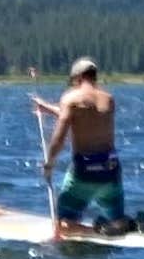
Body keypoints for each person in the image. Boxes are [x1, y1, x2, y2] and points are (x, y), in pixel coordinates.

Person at [34, 59, 134, 234]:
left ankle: (97, 230)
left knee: (63, 225)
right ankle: (129, 224)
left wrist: (49, 164)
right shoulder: (108, 100)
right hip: (110, 170)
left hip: (85, 172)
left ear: (78, 78)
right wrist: (48, 108)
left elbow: (60, 136)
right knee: (118, 218)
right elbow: (86, 115)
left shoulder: (70, 99)